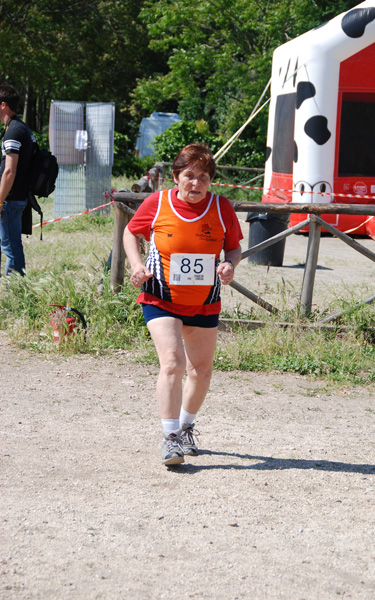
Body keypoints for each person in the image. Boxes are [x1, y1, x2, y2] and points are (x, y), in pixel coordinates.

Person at [123, 143, 243, 466]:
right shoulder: (157, 202)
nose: (196, 183)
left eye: (203, 177)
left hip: (205, 303)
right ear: (176, 176)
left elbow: (233, 248)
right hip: (160, 297)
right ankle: (170, 437)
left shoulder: (221, 208)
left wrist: (230, 265)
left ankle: (187, 427)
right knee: (173, 362)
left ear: (210, 181)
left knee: (201, 372)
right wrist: (136, 265)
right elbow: (130, 233)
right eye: (189, 176)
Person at [0, 84, 36, 276]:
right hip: (16, 196)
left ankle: (16, 290)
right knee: (9, 244)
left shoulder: (13, 131)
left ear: (3, 104)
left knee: (11, 248)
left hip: (10, 199)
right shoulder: (22, 128)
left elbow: (9, 172)